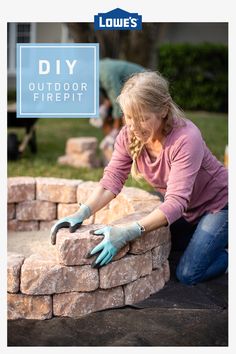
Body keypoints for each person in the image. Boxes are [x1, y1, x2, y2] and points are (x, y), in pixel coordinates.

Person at [51, 71, 228, 286]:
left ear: (163, 111)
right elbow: (113, 179)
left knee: (188, 273)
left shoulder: (186, 138)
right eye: (129, 117)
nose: (133, 127)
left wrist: (129, 231)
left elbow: (175, 202)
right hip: (190, 210)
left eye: (142, 118)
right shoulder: (129, 134)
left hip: (220, 205)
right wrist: (83, 212)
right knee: (167, 248)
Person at [90, 58, 145, 165]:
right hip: (128, 91)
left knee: (129, 123)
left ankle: (137, 159)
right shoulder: (96, 74)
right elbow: (110, 96)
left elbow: (118, 103)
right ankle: (113, 156)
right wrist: (103, 109)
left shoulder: (105, 74)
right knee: (109, 119)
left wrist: (115, 130)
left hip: (143, 86)